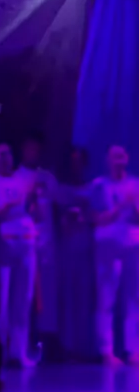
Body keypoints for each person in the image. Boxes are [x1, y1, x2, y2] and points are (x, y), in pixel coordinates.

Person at [0, 142, 36, 366]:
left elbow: (33, 209)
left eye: (7, 153)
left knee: (23, 298)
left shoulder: (22, 180)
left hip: (26, 243)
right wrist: (5, 208)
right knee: (1, 299)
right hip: (3, 243)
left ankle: (18, 352)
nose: (4, 158)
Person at [90, 145, 139, 365]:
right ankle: (106, 349)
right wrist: (119, 207)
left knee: (133, 298)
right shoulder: (100, 185)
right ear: (107, 160)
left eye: (122, 156)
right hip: (107, 245)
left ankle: (132, 349)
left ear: (127, 159)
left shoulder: (135, 185)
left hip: (132, 244)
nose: (119, 161)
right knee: (106, 297)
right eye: (114, 157)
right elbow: (96, 217)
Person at [15, 132, 60, 359]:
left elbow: (60, 203)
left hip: (47, 244)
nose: (33, 152)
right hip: (25, 243)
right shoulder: (16, 178)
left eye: (36, 149)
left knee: (48, 295)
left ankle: (46, 342)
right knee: (25, 295)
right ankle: (23, 344)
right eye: (29, 148)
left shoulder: (48, 178)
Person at [57, 147, 95, 360]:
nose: (76, 165)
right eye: (73, 161)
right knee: (68, 296)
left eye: (79, 161)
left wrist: (85, 215)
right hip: (66, 247)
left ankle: (84, 346)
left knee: (85, 297)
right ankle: (67, 345)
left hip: (86, 247)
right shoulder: (60, 190)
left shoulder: (92, 188)